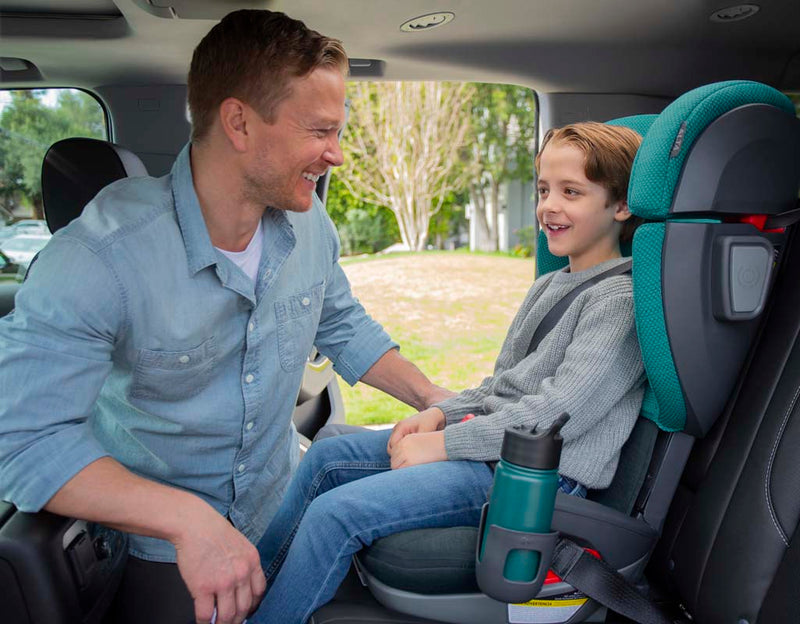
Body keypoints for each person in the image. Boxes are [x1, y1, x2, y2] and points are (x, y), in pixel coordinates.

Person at [0, 10, 453, 624]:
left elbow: (341, 322)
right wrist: (187, 521)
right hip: (160, 550)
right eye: (320, 130)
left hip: (281, 509)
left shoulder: (308, 224)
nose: (337, 155)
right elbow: (24, 441)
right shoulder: (99, 258)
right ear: (239, 122)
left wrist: (438, 398)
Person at [249, 121, 647, 624]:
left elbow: (552, 415)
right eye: (544, 189)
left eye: (572, 192)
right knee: (327, 455)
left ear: (620, 206)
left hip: (535, 480)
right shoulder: (550, 286)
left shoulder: (620, 302)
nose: (549, 206)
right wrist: (440, 413)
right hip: (495, 455)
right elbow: (502, 388)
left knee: (336, 514)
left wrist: (443, 445)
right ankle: (251, 594)